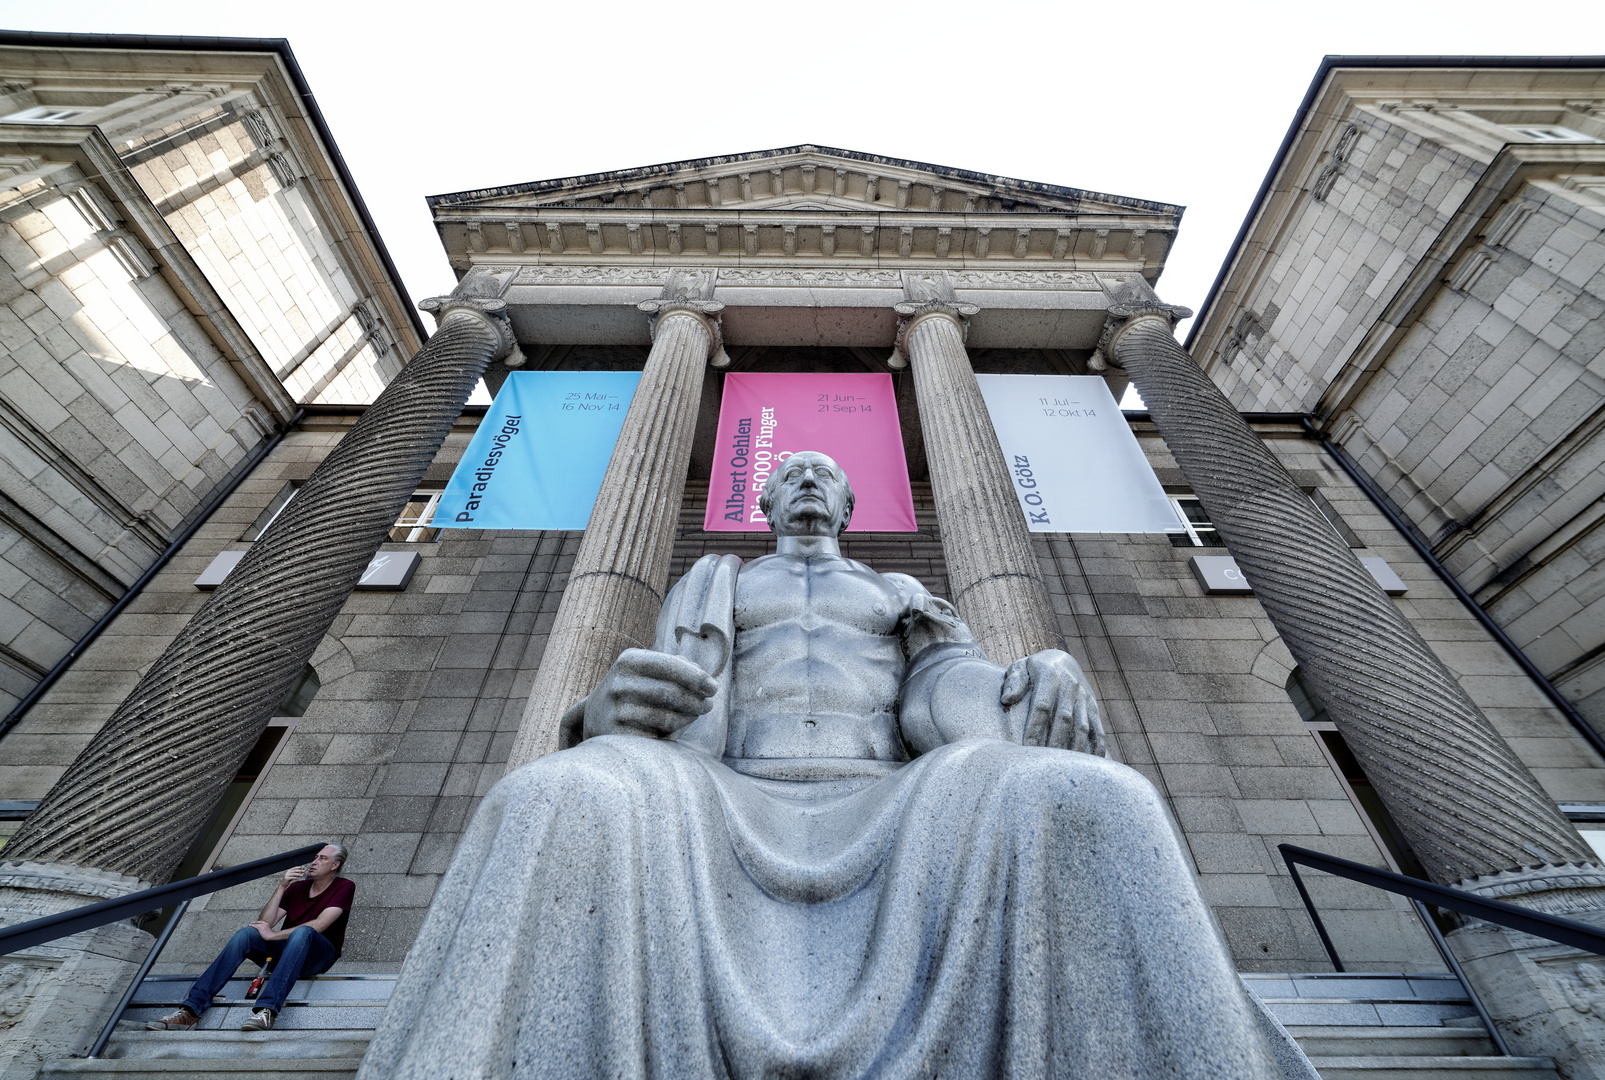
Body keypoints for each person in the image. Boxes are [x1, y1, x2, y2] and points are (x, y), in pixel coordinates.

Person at [361, 453, 1282, 1079]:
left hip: (888, 784)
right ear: (761, 505)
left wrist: (1025, 675)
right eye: (789, 475)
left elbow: (941, 692)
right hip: (719, 781)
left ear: (847, 506)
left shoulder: (896, 591)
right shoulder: (718, 579)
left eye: (824, 477)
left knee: (1088, 793)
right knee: (552, 793)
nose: (806, 482)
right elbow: (675, 697)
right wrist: (596, 715)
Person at [146, 843, 354, 1032]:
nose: (314, 862)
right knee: (247, 933)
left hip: (318, 955)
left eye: (322, 858)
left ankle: (267, 1011)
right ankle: (190, 1011)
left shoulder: (344, 886)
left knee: (303, 931)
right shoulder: (297, 888)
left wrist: (273, 935)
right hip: (287, 950)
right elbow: (264, 923)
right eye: (315, 857)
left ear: (335, 865)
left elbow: (320, 925)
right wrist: (282, 886)